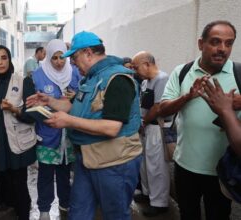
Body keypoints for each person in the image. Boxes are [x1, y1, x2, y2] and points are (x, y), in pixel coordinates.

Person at [27, 31, 142, 220]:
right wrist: (49, 100)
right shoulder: (91, 78)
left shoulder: (118, 79)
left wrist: (68, 121)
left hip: (114, 163)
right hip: (87, 160)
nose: (71, 63)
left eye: (74, 57)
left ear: (88, 53)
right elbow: (75, 107)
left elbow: (112, 127)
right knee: (78, 212)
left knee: (115, 215)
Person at [159, 20, 237, 220]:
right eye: (215, 42)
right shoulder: (182, 72)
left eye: (229, 43)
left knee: (218, 216)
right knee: (188, 214)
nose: (222, 49)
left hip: (223, 170)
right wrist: (186, 97)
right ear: (201, 44)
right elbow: (163, 109)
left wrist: (234, 104)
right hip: (185, 165)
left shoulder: (239, 73)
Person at [0, 45, 37, 220]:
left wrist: (13, 109)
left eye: (4, 58)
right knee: (6, 182)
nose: (0, 62)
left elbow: (33, 115)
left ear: (9, 60)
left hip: (18, 143)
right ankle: (13, 212)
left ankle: (23, 216)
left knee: (20, 184)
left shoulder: (23, 82)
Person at [31, 39, 80, 220]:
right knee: (45, 174)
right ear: (48, 57)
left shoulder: (75, 73)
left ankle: (65, 205)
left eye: (62, 58)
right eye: (54, 58)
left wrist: (75, 97)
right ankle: (44, 209)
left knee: (65, 174)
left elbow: (83, 99)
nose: (59, 62)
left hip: (68, 135)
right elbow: (32, 103)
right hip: (47, 133)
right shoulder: (38, 75)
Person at [131, 51, 170, 216]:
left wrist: (144, 121)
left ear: (147, 64)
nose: (134, 70)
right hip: (145, 126)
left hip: (155, 127)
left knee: (156, 165)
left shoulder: (161, 79)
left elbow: (157, 107)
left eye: (136, 67)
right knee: (145, 164)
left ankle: (160, 202)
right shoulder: (146, 82)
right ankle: (148, 194)